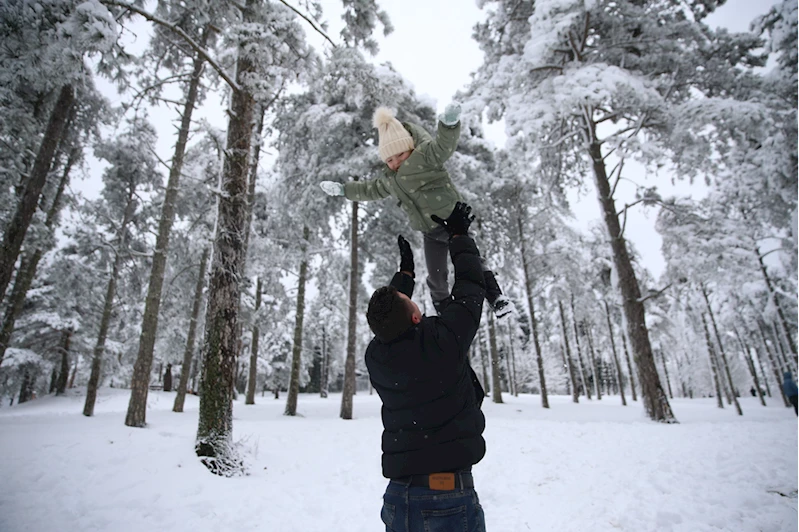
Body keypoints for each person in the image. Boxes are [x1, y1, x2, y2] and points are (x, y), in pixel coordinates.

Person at [320, 104, 513, 319]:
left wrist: (448, 125)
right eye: (389, 160)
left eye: (400, 155)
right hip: (429, 232)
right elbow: (369, 189)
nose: (395, 163)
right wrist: (344, 190)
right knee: (436, 277)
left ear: (410, 147)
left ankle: (497, 298)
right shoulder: (390, 180)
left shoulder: (425, 156)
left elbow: (444, 145)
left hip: (452, 222)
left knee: (473, 262)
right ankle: (447, 316)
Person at [365, 202, 487, 532]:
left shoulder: (376, 358)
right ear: (417, 316)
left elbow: (388, 320)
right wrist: (459, 235)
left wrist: (404, 275)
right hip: (447, 496)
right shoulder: (443, 339)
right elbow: (471, 286)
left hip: (398, 497)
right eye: (410, 299)